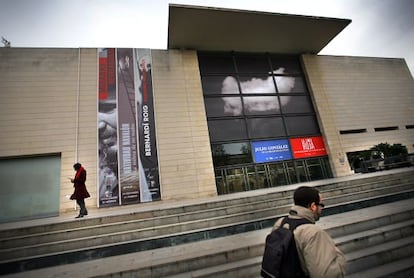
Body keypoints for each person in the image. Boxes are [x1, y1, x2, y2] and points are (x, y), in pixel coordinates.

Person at [273, 186, 346, 278]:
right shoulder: (313, 233)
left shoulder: (280, 223)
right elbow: (326, 274)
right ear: (313, 206)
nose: (321, 208)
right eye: (321, 205)